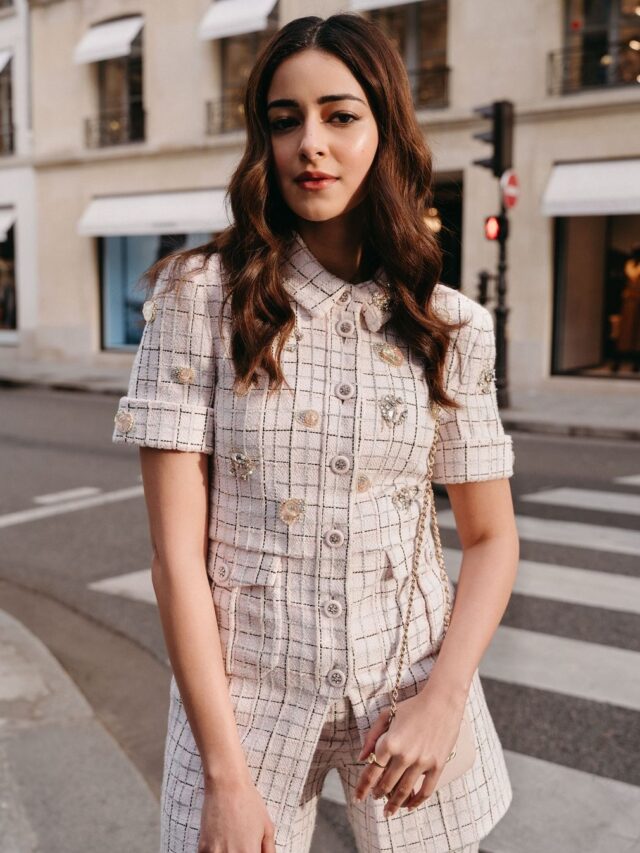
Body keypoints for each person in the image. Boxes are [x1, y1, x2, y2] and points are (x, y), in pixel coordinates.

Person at [112, 12, 519, 853]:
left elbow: (489, 538)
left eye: (340, 115)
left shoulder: (449, 326)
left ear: (385, 130)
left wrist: (442, 703)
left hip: (410, 698)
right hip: (243, 711)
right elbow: (174, 560)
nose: (311, 144)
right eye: (285, 119)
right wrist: (225, 774)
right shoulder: (200, 301)